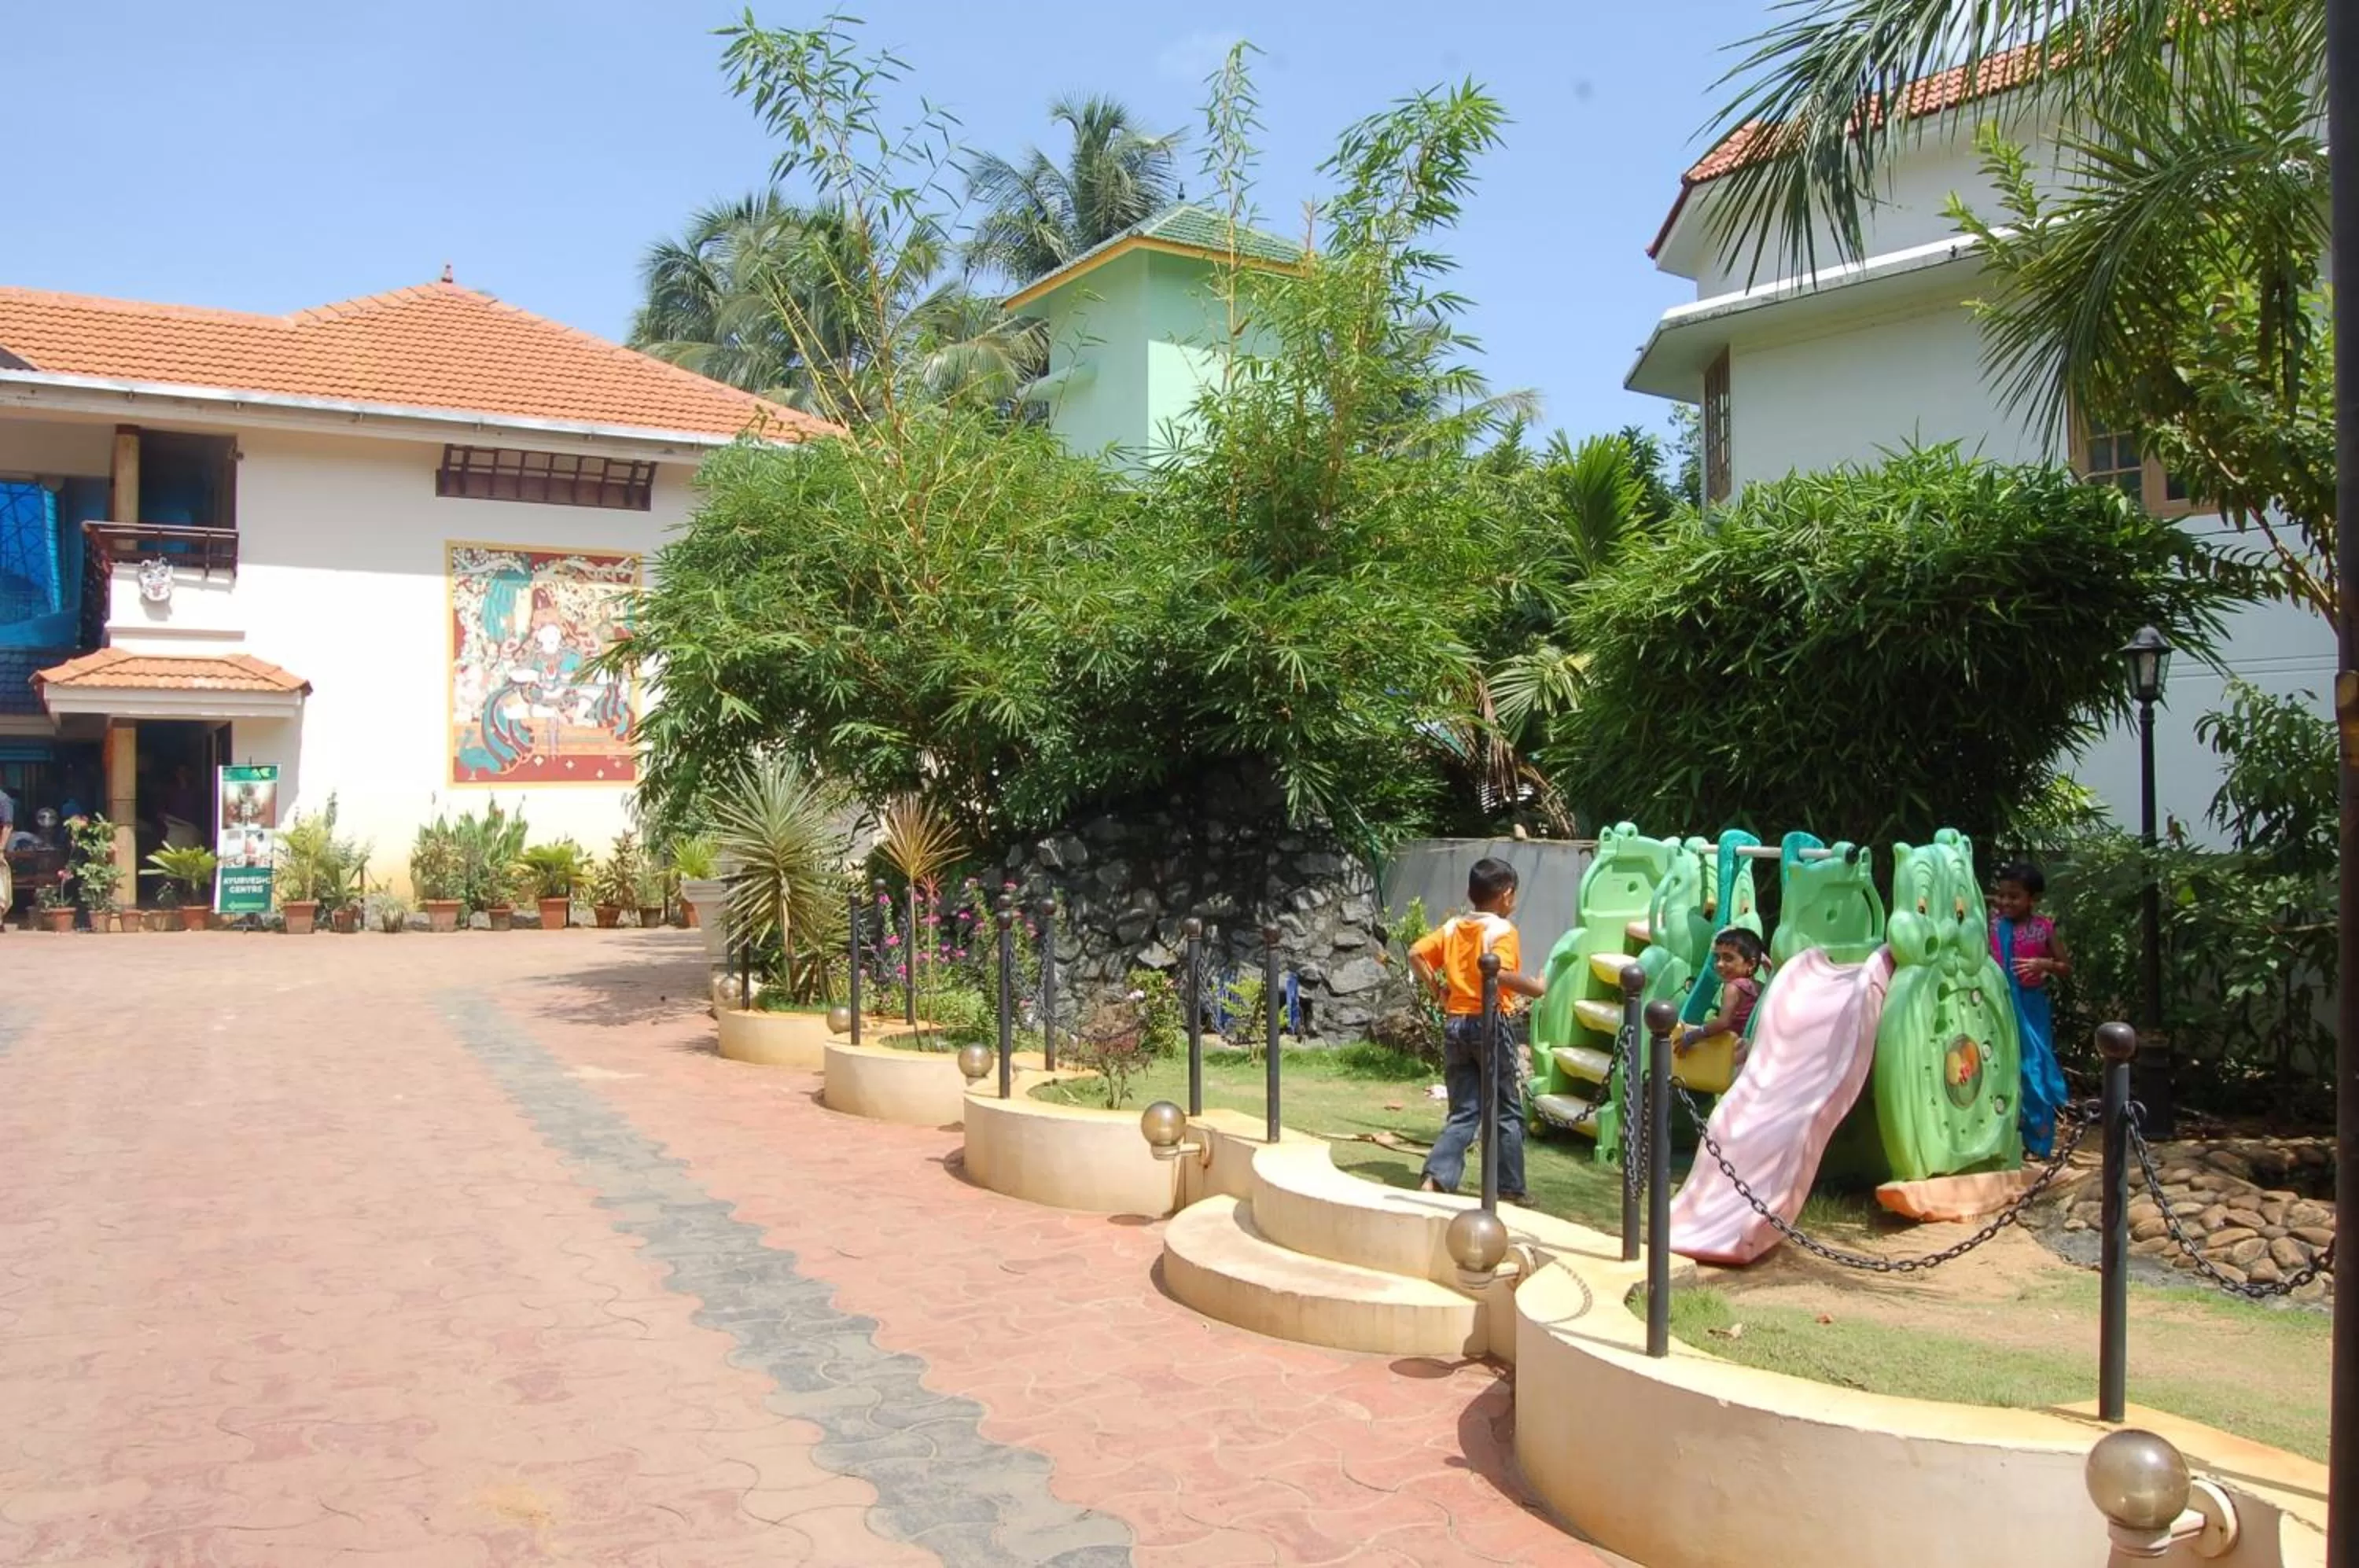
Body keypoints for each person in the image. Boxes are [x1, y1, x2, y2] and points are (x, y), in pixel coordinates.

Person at [1412, 858, 1548, 1203]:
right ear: (1506, 894)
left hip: (1455, 1023)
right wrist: (1535, 987)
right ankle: (1510, 1186)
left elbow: (1416, 953)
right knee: (1506, 1107)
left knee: (1465, 1109)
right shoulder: (1502, 931)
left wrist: (1437, 990)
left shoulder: (1453, 928)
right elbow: (1498, 972)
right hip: (1490, 1022)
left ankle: (1436, 1178)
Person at [1993, 860, 2073, 1158]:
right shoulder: (1992, 925)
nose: (2005, 902)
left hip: (2031, 1008)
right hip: (1997, 1006)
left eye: (2014, 896)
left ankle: (2038, 1142)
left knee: (2033, 1068)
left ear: (2033, 899)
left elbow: (2066, 967)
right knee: (2000, 1066)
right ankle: (2004, 1138)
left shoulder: (2043, 929)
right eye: (2002, 895)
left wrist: (2044, 964)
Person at [1674, 926, 1771, 1066]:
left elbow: (1723, 1022)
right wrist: (1767, 964)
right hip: (1750, 1050)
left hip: (1730, 1053)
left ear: (1750, 964)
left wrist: (1692, 1036)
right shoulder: (1760, 987)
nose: (1719, 964)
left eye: (1728, 958)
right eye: (1717, 957)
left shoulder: (1733, 987)